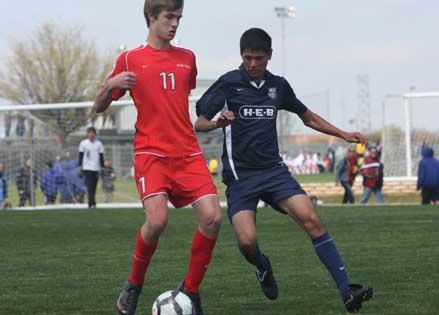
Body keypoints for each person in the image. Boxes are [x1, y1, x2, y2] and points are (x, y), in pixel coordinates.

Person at [194, 28, 372, 313]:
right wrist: (219, 122)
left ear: (270, 56)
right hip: (241, 179)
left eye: (259, 59)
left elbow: (308, 117)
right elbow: (199, 123)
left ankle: (346, 289)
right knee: (247, 241)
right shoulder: (228, 84)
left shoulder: (278, 86)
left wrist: (343, 134)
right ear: (241, 56)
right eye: (248, 58)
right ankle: (263, 267)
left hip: (274, 172)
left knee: (312, 218)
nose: (253, 64)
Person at [92, 1, 222, 314]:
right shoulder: (130, 58)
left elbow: (178, 101)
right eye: (169, 17)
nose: (175, 23)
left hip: (188, 152)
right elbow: (98, 107)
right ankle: (133, 285)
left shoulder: (187, 58)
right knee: (157, 219)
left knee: (213, 218)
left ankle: (190, 292)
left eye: (179, 18)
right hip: (151, 153)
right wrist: (111, 85)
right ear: (151, 18)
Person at [78, 127, 104, 208]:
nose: (91, 135)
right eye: (89, 134)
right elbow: (80, 156)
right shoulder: (83, 143)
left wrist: (102, 167)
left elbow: (101, 156)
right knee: (89, 185)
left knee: (94, 185)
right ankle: (91, 202)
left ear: (95, 135)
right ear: (87, 134)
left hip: (96, 168)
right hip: (87, 167)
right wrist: (80, 166)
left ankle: (92, 201)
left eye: (93, 134)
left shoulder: (99, 144)